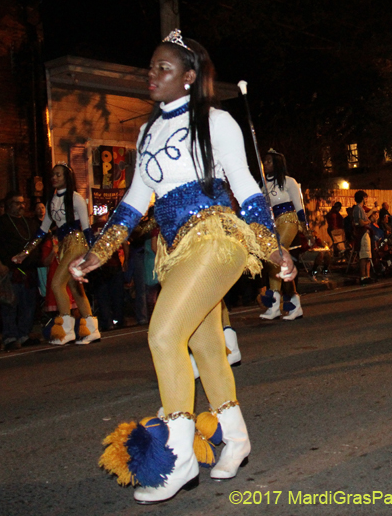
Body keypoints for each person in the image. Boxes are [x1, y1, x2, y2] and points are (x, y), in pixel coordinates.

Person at [70, 30, 295, 504]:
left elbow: (248, 188)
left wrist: (273, 247)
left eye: (163, 68)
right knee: (205, 342)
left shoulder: (218, 122)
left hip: (217, 238)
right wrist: (98, 250)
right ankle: (235, 439)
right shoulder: (147, 130)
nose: (152, 75)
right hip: (174, 247)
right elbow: (135, 202)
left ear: (189, 77)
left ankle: (179, 457)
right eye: (150, 67)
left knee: (163, 334)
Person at [13, 164, 99, 346]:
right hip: (64, 246)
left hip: (77, 244)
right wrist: (24, 253)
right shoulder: (52, 201)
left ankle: (67, 330)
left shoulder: (76, 198)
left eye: (58, 175)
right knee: (75, 288)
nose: (54, 178)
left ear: (66, 177)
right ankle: (92, 330)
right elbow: (42, 231)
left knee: (56, 283)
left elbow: (86, 228)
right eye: (53, 175)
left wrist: (92, 253)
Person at [0, 191, 41, 350]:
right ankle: (10, 337)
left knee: (28, 305)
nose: (21, 206)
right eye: (17, 203)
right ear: (9, 205)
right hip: (10, 271)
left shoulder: (30, 222)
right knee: (10, 304)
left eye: (23, 203)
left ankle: (24, 335)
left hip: (28, 270)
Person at [259, 149, 308, 320]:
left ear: (277, 163)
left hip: (289, 219)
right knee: (273, 261)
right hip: (273, 222)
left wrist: (305, 227)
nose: (265, 164)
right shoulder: (263, 184)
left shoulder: (289, 181)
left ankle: (286, 304)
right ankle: (285, 305)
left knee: (278, 255)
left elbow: (299, 206)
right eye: (264, 161)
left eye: (269, 161)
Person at [352, 190, 374, 284]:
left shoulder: (360, 209)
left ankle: (367, 276)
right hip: (363, 233)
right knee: (364, 256)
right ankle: (363, 276)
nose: (366, 200)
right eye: (365, 198)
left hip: (365, 233)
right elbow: (361, 223)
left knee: (368, 256)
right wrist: (370, 221)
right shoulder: (359, 209)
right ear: (362, 198)